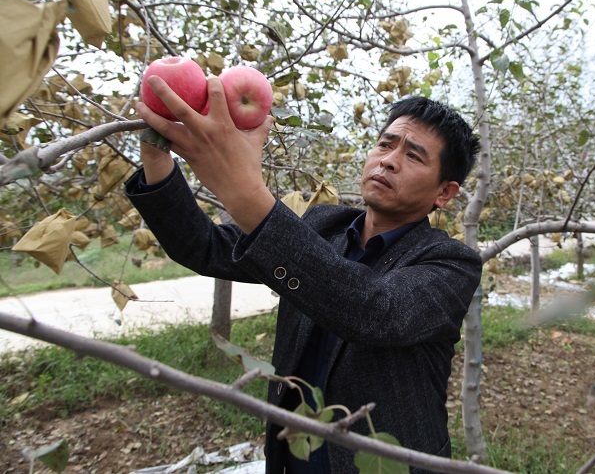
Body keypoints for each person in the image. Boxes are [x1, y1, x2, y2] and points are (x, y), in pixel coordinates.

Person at [124, 74, 482, 473]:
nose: (388, 160)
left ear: (444, 193)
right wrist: (157, 155)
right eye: (385, 144)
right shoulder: (323, 225)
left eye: (414, 156)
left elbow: (376, 311)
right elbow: (204, 246)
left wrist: (247, 194)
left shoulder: (452, 263)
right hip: (292, 457)